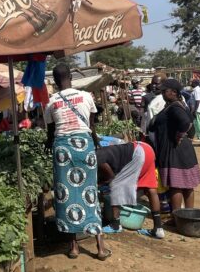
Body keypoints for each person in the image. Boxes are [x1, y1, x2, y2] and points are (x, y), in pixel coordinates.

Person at [44, 64, 110, 260]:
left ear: (55, 82)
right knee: (90, 191)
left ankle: (73, 247)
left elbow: (50, 133)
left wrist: (49, 143)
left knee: (66, 194)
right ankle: (100, 247)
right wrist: (95, 139)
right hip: (84, 147)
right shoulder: (86, 96)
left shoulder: (51, 102)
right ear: (71, 77)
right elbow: (91, 125)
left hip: (63, 149)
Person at [151, 79, 200, 213]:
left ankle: (177, 216)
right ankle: (188, 215)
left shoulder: (174, 107)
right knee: (187, 185)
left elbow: (186, 123)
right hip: (184, 149)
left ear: (173, 92)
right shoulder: (179, 105)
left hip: (174, 150)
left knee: (176, 186)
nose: (162, 93)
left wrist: (179, 136)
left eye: (164, 91)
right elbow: (191, 126)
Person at [96, 141, 164, 239]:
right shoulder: (104, 151)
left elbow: (111, 177)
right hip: (147, 149)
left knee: (115, 184)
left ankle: (115, 225)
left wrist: (101, 184)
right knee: (150, 189)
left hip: (138, 153)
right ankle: (158, 229)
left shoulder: (95, 156)